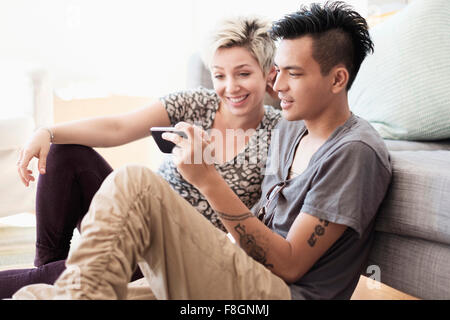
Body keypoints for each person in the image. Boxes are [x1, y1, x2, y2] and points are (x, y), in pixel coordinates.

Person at [12, 1, 392, 300]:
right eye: (276, 70)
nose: (277, 84)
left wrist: (207, 179)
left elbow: (290, 265)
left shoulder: (354, 152)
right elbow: (119, 125)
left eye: (292, 73)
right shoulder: (294, 131)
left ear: (338, 79)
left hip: (273, 293)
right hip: (231, 267)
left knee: (136, 184)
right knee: (38, 294)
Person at [0, 16, 282, 299]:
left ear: (269, 72)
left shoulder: (280, 133)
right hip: (135, 216)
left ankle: (53, 277)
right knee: (65, 149)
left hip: (177, 251)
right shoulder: (198, 103)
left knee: (45, 278)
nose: (230, 87)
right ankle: (52, 267)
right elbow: (119, 126)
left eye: (243, 74)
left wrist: (206, 175)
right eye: (220, 75)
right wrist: (47, 131)